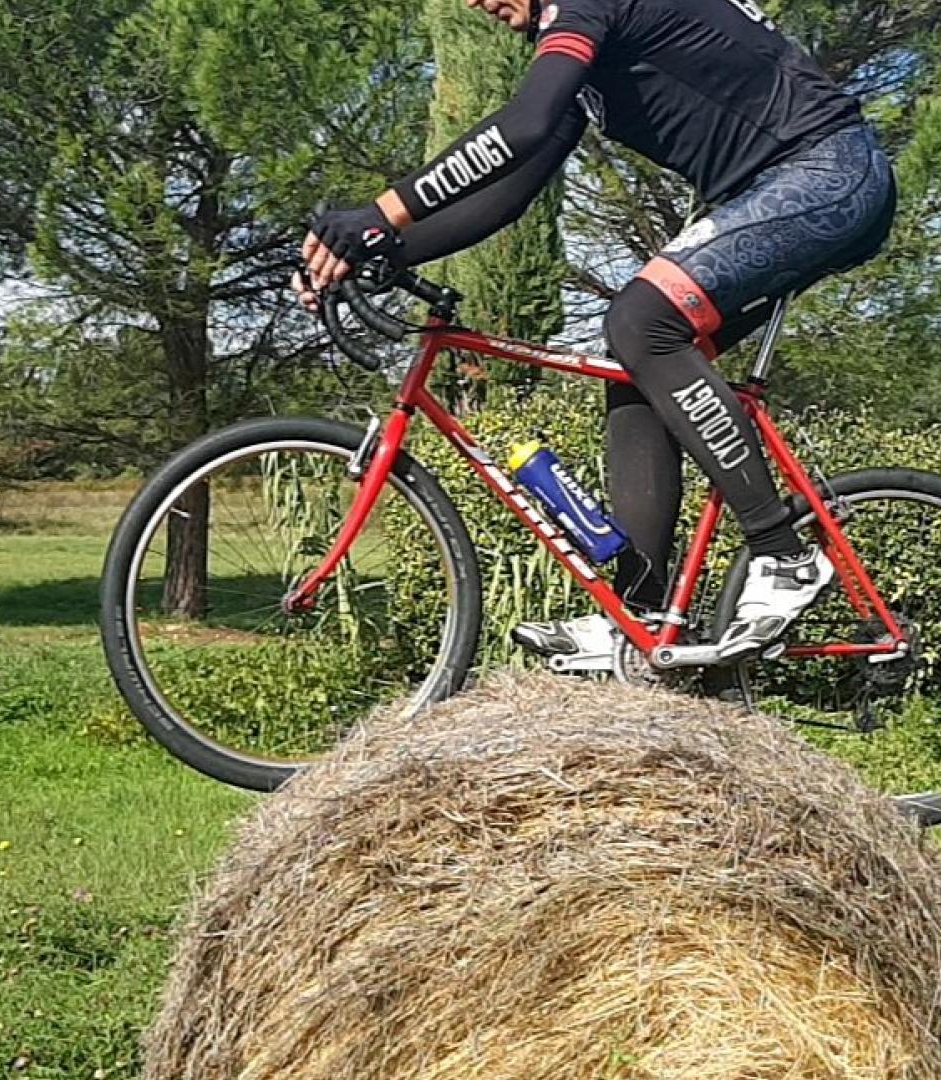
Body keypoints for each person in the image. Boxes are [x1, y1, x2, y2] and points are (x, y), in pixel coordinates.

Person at [293, 0, 895, 666]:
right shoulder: (576, 51)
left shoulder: (589, 4)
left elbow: (522, 124)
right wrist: (382, 252)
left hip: (828, 172)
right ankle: (641, 617)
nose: (476, 2)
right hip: (792, 187)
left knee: (641, 321)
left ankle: (783, 554)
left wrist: (379, 215)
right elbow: (508, 194)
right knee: (637, 362)